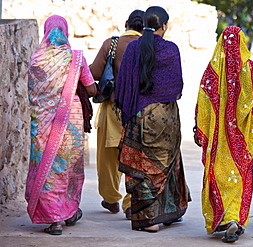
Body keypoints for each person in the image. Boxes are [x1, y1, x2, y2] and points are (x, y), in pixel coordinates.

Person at [114, 6, 190, 233]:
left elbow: (124, 85)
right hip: (165, 116)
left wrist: (129, 111)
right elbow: (176, 86)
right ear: (164, 25)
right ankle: (166, 212)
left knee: (142, 165)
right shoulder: (171, 49)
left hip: (138, 115)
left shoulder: (132, 49)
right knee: (164, 163)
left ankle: (149, 219)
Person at [194, 26, 253, 243]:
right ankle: (234, 218)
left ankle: (226, 219)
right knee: (238, 177)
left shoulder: (212, 71)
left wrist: (201, 130)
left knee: (218, 175)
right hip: (242, 140)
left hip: (218, 140)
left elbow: (203, 104)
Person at [26, 15, 97, 235]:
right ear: (65, 32)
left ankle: (53, 219)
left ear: (46, 32)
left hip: (42, 122)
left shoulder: (36, 59)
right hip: (71, 120)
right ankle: (68, 211)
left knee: (47, 169)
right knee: (68, 168)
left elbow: (32, 93)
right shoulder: (75, 59)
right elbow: (92, 89)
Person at [89, 9, 145, 218]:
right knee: (134, 155)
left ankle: (111, 198)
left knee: (108, 157)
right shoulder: (146, 45)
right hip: (138, 109)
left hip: (112, 107)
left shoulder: (111, 44)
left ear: (126, 23)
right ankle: (131, 204)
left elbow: (94, 72)